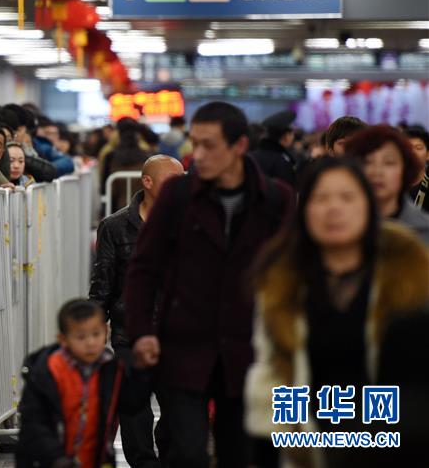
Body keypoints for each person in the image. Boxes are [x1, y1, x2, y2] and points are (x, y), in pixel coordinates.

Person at [126, 102, 294, 468]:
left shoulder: (276, 199)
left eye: (209, 145)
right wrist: (141, 332)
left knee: (237, 451)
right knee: (186, 451)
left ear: (239, 146)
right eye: (194, 143)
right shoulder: (178, 196)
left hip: (249, 350)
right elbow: (144, 268)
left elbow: (294, 273)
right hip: (184, 347)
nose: (196, 155)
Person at [244, 157, 429, 468]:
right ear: (304, 210)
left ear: (368, 206)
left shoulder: (407, 275)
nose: (334, 208)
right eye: (321, 198)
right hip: (310, 444)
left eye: (346, 197)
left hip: (397, 443)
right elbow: (272, 373)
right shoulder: (281, 281)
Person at [89, 155, 184, 468]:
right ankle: (143, 462)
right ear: (148, 182)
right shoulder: (114, 226)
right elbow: (103, 280)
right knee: (133, 405)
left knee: (179, 405)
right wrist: (93, 326)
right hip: (129, 329)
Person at [16, 299, 130, 468]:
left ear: (106, 332)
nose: (90, 343)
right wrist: (56, 459)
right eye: (81, 337)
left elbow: (133, 403)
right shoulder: (46, 372)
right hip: (49, 461)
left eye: (96, 334)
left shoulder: (110, 369)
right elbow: (34, 423)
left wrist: (142, 373)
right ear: (63, 339)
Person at [344, 125, 429, 244]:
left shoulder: (424, 231)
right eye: (368, 162)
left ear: (405, 169)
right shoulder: (339, 227)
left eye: (389, 163)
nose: (377, 172)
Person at [249, 110, 297, 188]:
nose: (293, 138)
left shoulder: (251, 156)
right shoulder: (281, 160)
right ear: (286, 136)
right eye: (291, 134)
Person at [404, 126, 428, 211]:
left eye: (418, 148)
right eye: (409, 148)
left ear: (428, 154)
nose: (413, 152)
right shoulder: (394, 183)